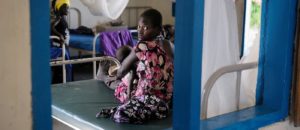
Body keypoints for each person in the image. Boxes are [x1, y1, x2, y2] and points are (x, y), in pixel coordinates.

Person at [96, 9, 174, 124]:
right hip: (167, 97)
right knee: (133, 76)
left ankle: (103, 76)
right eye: (139, 27)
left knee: (121, 85)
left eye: (146, 27)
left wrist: (128, 73)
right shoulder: (168, 44)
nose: (140, 31)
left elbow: (121, 72)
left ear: (158, 30)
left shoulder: (141, 46)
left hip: (147, 98)